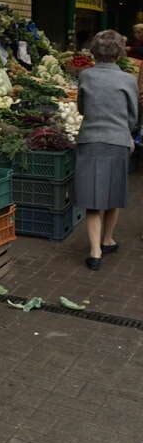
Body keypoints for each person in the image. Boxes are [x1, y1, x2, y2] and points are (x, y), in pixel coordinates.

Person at [73, 30, 140, 271]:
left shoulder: (86, 76)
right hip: (118, 141)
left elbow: (81, 108)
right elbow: (133, 116)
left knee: (92, 199)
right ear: (120, 52)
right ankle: (108, 239)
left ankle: (95, 252)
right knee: (114, 194)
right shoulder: (129, 79)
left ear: (94, 50)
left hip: (90, 140)